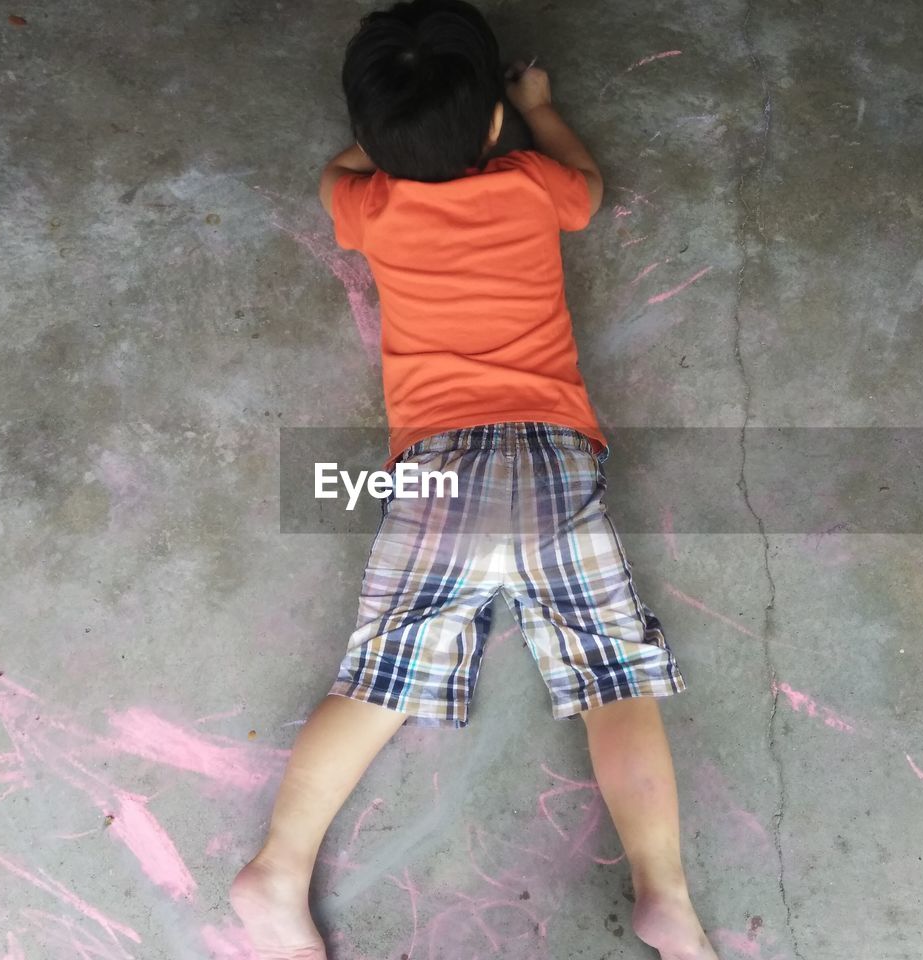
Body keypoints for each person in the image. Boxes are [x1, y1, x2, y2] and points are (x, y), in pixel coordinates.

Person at [231, 2, 719, 957]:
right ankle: (666, 894)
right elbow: (590, 184)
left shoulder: (365, 203)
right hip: (549, 457)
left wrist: (384, 144)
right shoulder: (535, 183)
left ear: (371, 140)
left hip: (440, 470)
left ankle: (279, 868)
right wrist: (538, 107)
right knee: (613, 675)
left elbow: (334, 174)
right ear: (494, 125)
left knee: (382, 672)